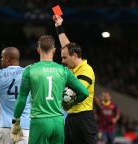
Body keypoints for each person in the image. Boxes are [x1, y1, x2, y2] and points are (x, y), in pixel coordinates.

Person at [11, 35, 89, 144]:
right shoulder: (64, 71)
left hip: (39, 122)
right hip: (58, 123)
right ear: (54, 50)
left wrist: (16, 121)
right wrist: (69, 104)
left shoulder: (29, 70)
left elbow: (22, 98)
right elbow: (84, 93)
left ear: (38, 50)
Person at [53, 15, 98, 144]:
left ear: (75, 56)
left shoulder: (86, 70)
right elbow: (66, 45)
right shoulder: (72, 65)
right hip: (70, 118)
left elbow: (71, 94)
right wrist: (58, 26)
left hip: (84, 119)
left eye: (64, 58)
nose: (62, 61)